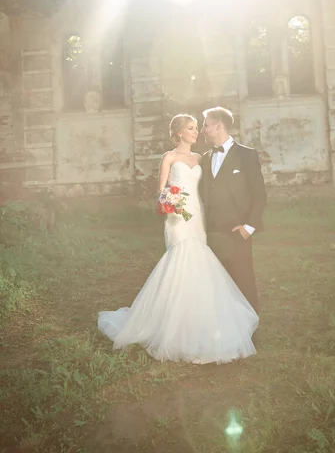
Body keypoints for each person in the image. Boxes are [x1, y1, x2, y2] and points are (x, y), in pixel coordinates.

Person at [97, 114, 258, 364]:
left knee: (199, 265)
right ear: (179, 133)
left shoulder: (200, 159)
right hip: (177, 219)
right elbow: (161, 191)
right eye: (191, 128)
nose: (196, 132)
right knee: (180, 261)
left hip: (198, 216)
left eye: (197, 128)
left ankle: (196, 321)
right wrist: (168, 202)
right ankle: (170, 324)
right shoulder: (169, 158)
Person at [200, 107, 266, 313]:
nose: (203, 130)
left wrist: (249, 227)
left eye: (206, 125)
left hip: (237, 232)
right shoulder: (205, 157)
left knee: (243, 281)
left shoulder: (246, 155)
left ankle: (250, 331)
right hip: (210, 232)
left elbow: (259, 194)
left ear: (218, 125)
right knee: (216, 283)